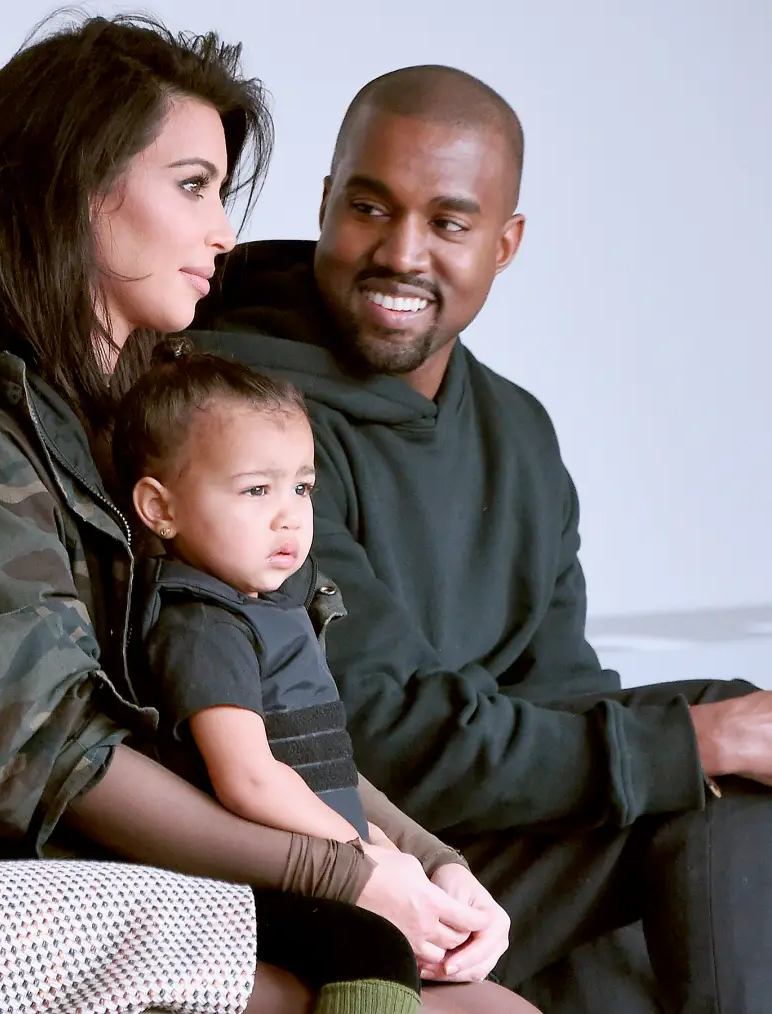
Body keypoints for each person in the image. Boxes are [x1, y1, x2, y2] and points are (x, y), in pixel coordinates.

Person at [0, 18, 537, 1014]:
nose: (222, 233)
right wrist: (348, 877)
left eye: (220, 195)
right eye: (192, 187)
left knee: (489, 1003)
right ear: (75, 190)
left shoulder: (160, 420)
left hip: (141, 880)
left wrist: (428, 860)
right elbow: (62, 761)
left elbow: (260, 709)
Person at [189, 64, 772, 1013]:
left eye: (450, 223)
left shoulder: (517, 430)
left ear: (506, 244)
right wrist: (699, 738)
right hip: (343, 872)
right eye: (370, 208)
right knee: (721, 743)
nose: (402, 253)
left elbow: (567, 699)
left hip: (489, 867)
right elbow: (372, 731)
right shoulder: (236, 415)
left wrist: (691, 750)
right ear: (327, 201)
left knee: (716, 795)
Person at [113, 339, 510, 1009]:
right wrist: (360, 853)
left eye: (301, 486)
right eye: (256, 489)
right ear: (162, 509)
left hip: (324, 859)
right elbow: (250, 778)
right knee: (371, 951)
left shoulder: (273, 609)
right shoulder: (203, 625)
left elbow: (317, 764)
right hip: (249, 882)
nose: (289, 513)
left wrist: (400, 851)